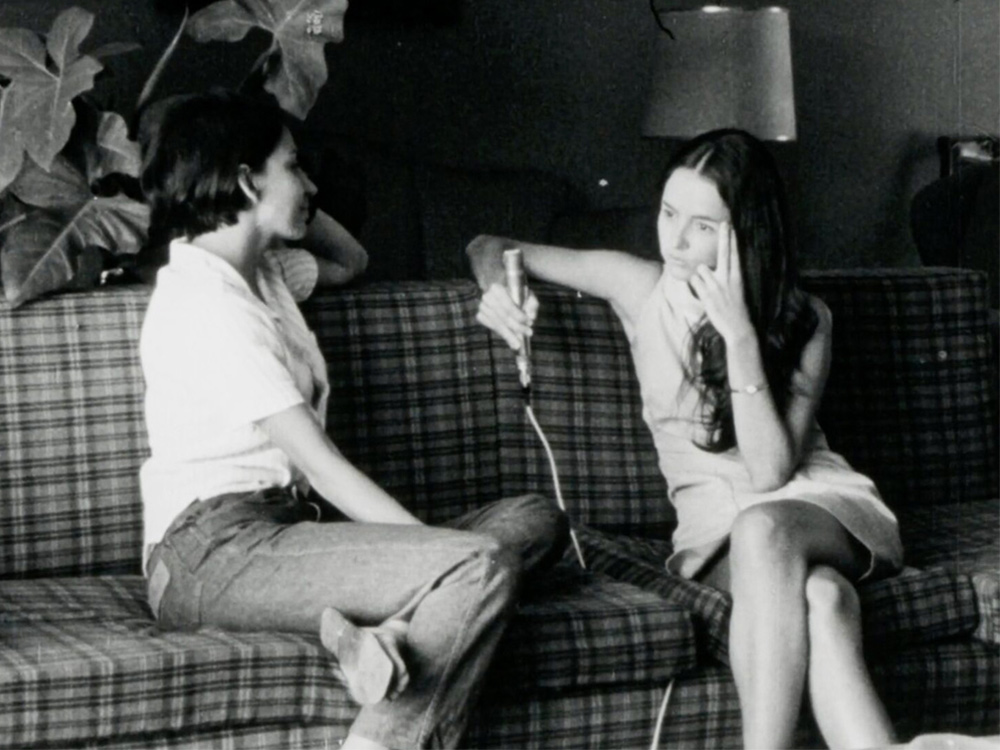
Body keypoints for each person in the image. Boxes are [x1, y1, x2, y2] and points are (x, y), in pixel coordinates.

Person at [138, 90, 568, 750]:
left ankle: (368, 632)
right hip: (212, 554)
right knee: (475, 566)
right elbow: (321, 467)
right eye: (295, 167)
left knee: (538, 516)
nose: (310, 185)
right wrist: (439, 562)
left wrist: (279, 205)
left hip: (284, 535)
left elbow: (351, 261)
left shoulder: (264, 273)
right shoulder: (206, 302)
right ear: (247, 179)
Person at [468, 129, 904, 750]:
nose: (673, 239)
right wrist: (499, 289)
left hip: (818, 508)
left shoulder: (806, 319)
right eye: (669, 213)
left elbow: (769, 475)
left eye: (700, 225)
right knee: (826, 599)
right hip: (714, 531)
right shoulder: (640, 288)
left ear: (744, 234)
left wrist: (741, 337)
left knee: (766, 527)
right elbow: (490, 245)